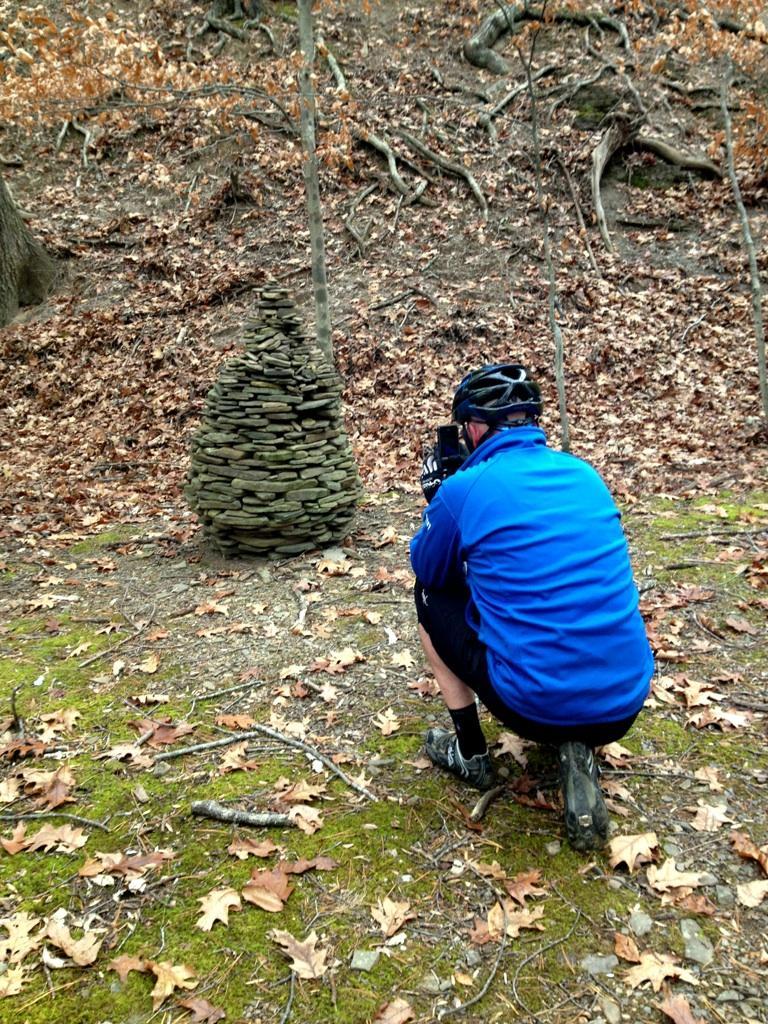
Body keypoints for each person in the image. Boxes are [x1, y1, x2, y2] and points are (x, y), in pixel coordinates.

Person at [410, 364, 654, 850]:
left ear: (474, 428)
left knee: (426, 593)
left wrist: (439, 501)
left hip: (533, 706)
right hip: (625, 702)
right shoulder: (585, 473)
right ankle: (580, 743)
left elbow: (431, 570)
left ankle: (470, 752)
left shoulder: (465, 488)